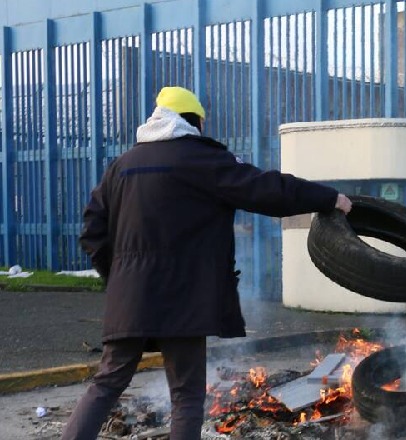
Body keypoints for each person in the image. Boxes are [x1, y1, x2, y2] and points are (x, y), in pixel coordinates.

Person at [61, 86, 352, 440]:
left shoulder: (120, 167)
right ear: (191, 121)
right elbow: (266, 189)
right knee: (186, 394)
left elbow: (93, 232)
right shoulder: (199, 159)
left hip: (130, 298)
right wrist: (328, 197)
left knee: (107, 382)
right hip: (184, 298)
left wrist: (121, 276)